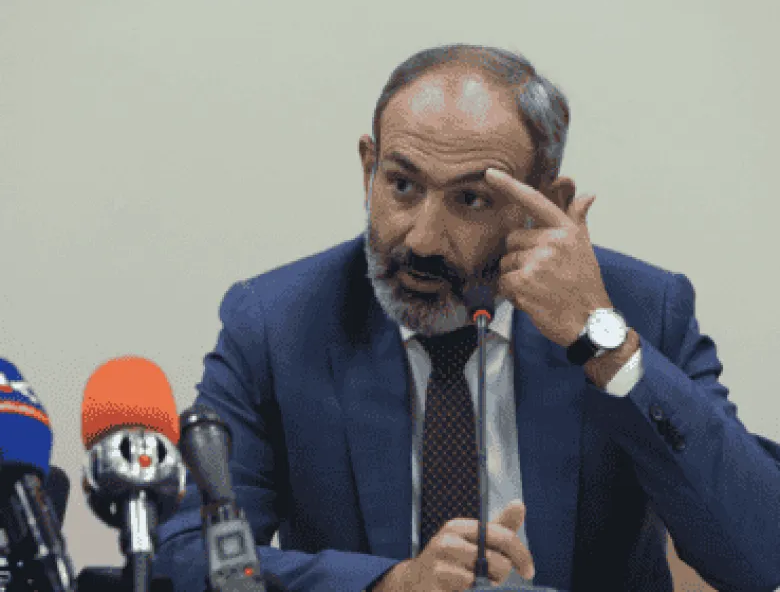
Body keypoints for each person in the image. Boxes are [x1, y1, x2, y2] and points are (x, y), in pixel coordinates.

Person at [152, 45, 780, 592]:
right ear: (369, 168)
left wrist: (603, 344)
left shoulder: (640, 309)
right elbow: (184, 556)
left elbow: (758, 556)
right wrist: (389, 585)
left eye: (471, 199)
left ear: (545, 205)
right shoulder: (279, 324)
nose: (423, 238)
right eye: (402, 186)